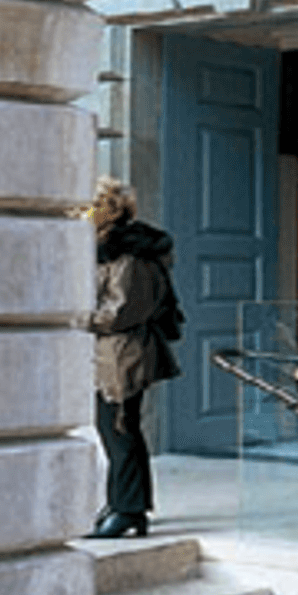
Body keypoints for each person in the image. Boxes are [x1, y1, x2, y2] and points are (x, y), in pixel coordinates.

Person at [85, 177, 185, 539]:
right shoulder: (114, 248)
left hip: (124, 352)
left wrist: (74, 317)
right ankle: (125, 505)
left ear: (106, 209)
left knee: (120, 430)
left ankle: (128, 510)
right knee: (117, 430)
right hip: (114, 352)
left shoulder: (129, 254)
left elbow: (120, 311)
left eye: (89, 206)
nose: (83, 214)